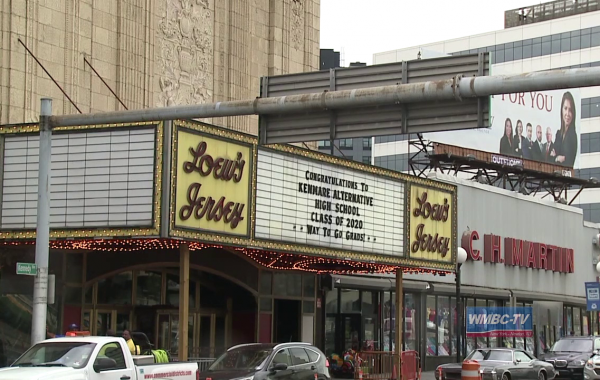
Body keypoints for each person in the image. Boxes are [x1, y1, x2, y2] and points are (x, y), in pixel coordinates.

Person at [553, 91, 578, 167]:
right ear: (561, 110)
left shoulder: (572, 135)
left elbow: (568, 162)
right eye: (565, 108)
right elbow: (551, 158)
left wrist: (556, 157)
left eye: (570, 110)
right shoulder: (558, 134)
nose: (567, 113)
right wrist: (557, 158)